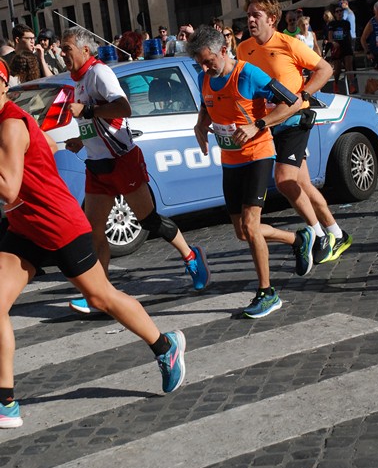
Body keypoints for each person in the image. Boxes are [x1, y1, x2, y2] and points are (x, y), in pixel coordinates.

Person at [0, 57, 186, 429]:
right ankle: (6, 401)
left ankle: (166, 347)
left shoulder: (9, 124)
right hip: (24, 229)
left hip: (59, 226)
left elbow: (8, 188)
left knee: (101, 297)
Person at [61, 27, 210, 315]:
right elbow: (98, 121)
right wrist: (81, 140)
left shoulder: (99, 73)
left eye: (67, 48)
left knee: (149, 220)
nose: (63, 53)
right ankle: (98, 292)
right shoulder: (77, 79)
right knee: (93, 229)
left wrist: (88, 111)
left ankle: (191, 256)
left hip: (122, 160)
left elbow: (123, 108)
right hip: (96, 164)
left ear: (85, 51)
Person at [187, 25, 316, 320]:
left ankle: (267, 293)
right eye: (200, 63)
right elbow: (207, 106)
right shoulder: (202, 77)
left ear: (223, 50)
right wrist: (199, 125)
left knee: (251, 223)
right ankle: (298, 240)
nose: (205, 68)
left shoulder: (248, 74)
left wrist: (258, 124)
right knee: (243, 232)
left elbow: (293, 102)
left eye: (209, 61)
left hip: (259, 154)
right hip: (230, 159)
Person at [237, 0, 352, 264]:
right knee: (302, 184)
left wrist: (304, 95)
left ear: (272, 19)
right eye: (249, 15)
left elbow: (324, 69)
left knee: (284, 181)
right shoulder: (244, 49)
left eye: (256, 15)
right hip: (265, 124)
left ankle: (317, 234)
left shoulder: (288, 44)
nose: (251, 20)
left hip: (292, 121)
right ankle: (337, 233)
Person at [328, 6, 355, 94]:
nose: (339, 13)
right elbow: (330, 37)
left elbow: (349, 35)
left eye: (341, 11)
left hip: (346, 46)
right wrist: (333, 42)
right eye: (337, 11)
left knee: (349, 66)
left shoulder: (346, 23)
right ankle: (335, 84)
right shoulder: (332, 24)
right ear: (335, 14)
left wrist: (352, 46)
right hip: (337, 48)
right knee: (338, 69)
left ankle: (352, 85)